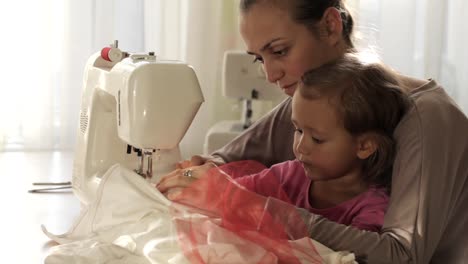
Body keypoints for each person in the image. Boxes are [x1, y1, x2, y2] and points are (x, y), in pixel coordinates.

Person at [157, 0, 468, 262]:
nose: (269, 74)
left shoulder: (428, 119)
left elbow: (400, 256)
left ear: (331, 26)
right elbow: (224, 162)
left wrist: (267, 209)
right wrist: (193, 177)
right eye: (258, 59)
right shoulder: (312, 102)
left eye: (279, 51)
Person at [229, 53, 410, 232]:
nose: (300, 147)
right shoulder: (287, 176)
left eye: (317, 139)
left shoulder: (372, 207)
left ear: (364, 146)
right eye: (298, 131)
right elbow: (231, 195)